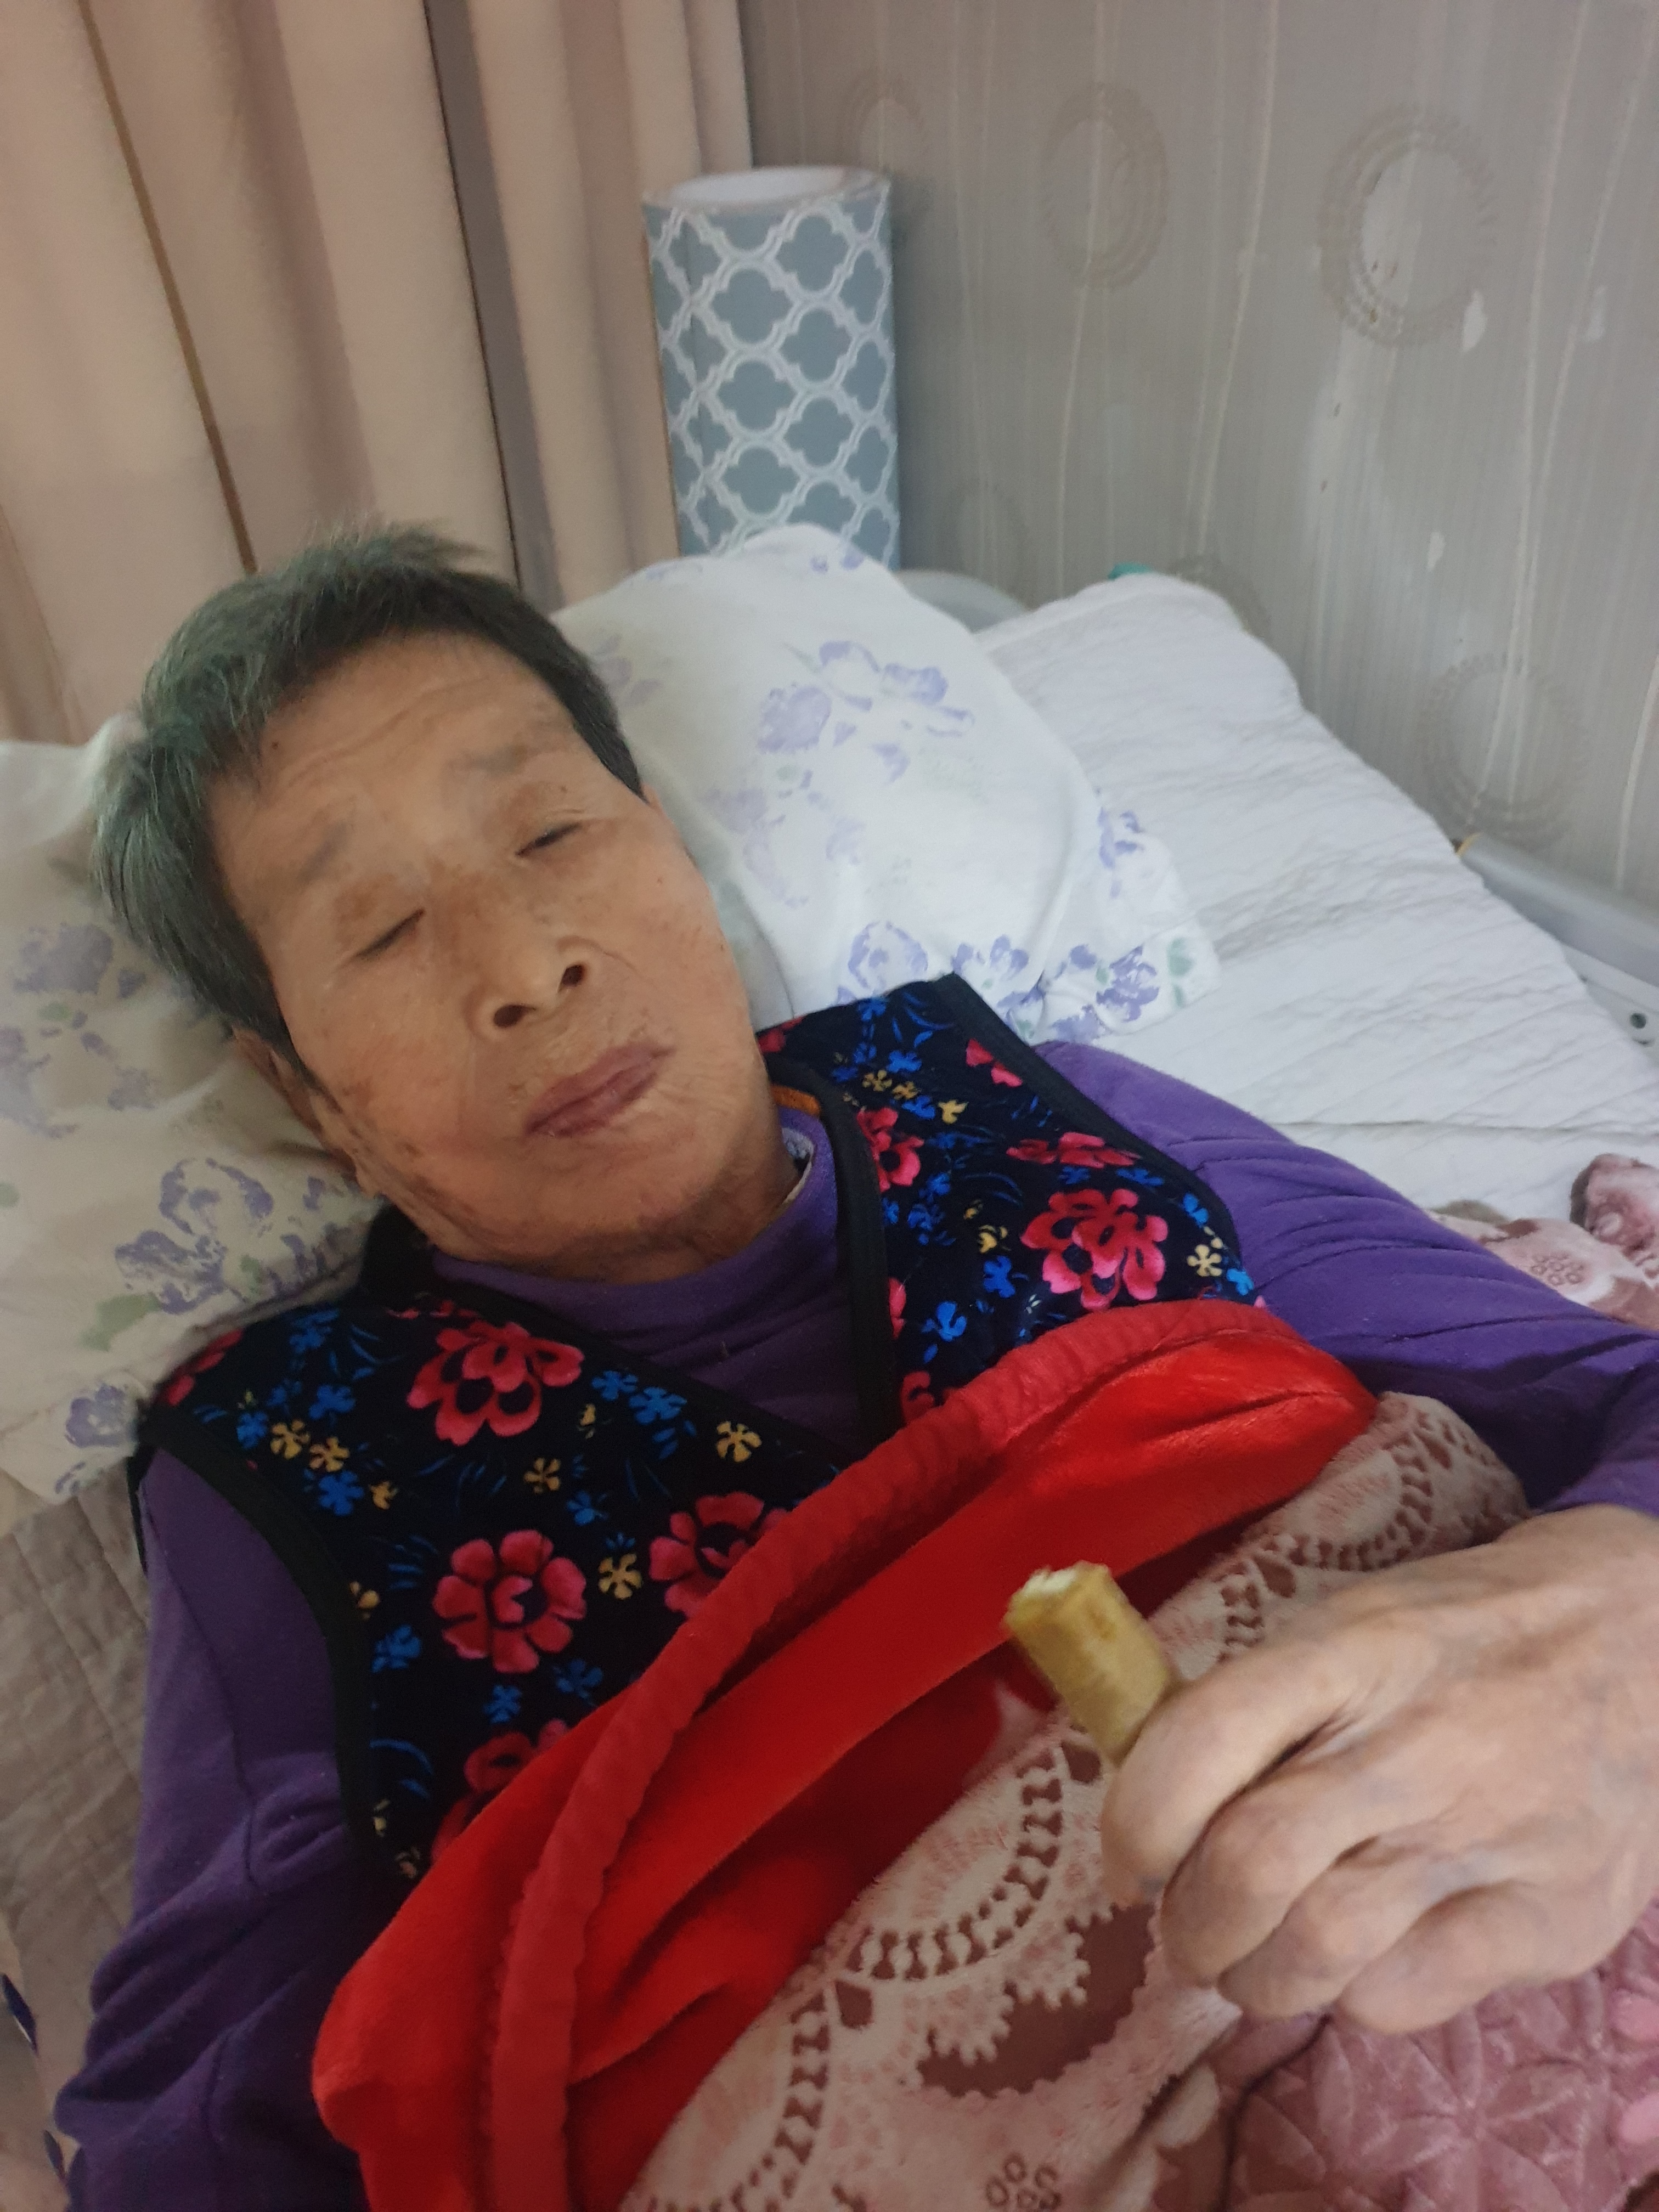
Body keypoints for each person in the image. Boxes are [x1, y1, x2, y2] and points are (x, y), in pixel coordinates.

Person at [61, 529, 1659, 2210]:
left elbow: (1600, 1391)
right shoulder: (294, 1457)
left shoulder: (1042, 1103)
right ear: (304, 1090)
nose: (528, 967)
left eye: (551, 832)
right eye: (384, 931)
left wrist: (1611, 1627)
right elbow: (201, 2128)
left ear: (666, 841)